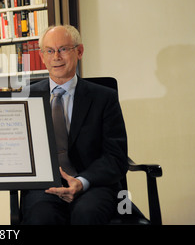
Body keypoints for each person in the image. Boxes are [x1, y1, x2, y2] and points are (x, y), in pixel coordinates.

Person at [21, 25, 128, 225]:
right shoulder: (26, 97)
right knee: (41, 218)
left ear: (79, 51)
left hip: (93, 185)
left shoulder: (104, 97)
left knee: (86, 215)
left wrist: (82, 181)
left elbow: (116, 156)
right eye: (49, 51)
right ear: (42, 57)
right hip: (44, 187)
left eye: (63, 49)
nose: (56, 57)